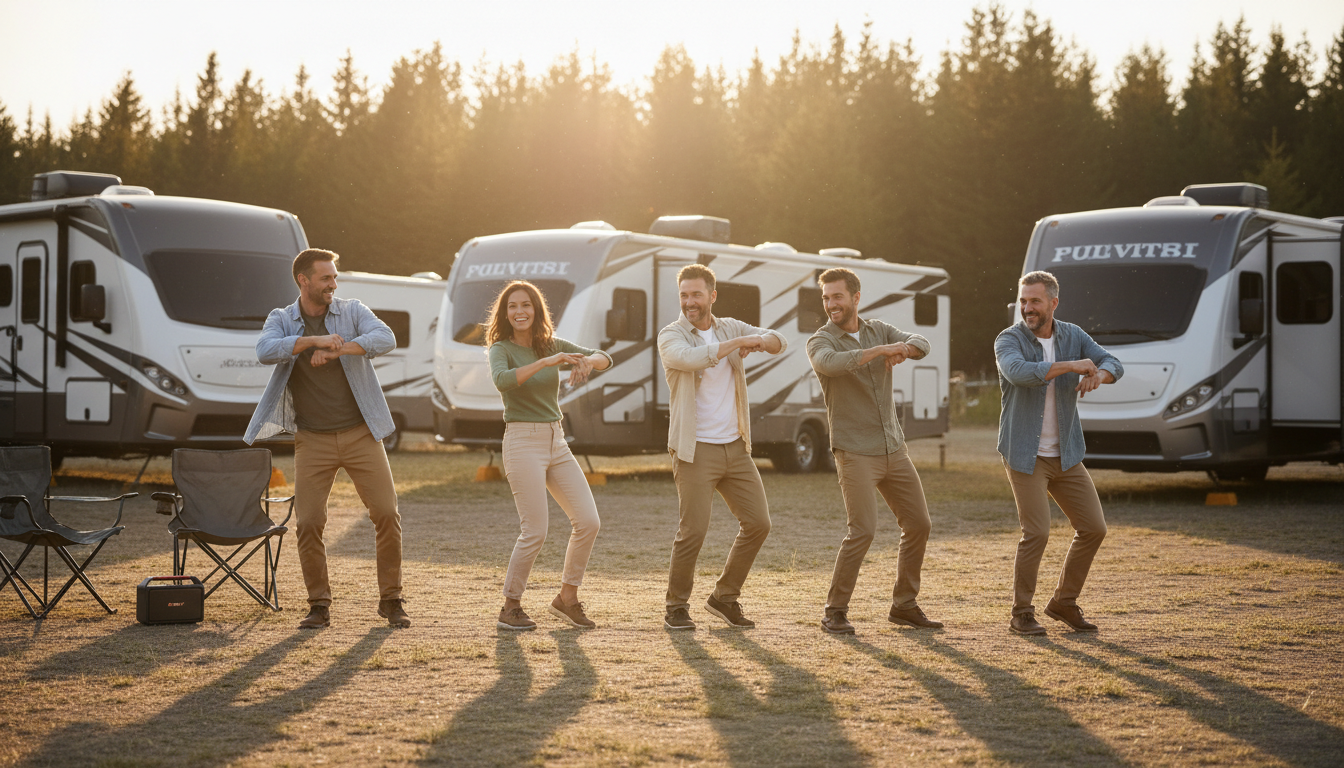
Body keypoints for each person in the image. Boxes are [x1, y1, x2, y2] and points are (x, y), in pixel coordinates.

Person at [245, 248, 408, 629]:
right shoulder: (282, 319)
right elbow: (265, 351)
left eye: (334, 278)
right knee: (309, 522)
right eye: (325, 279)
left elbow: (385, 338)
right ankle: (319, 604)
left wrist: (339, 348)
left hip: (361, 433)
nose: (333, 285)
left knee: (386, 513)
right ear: (303, 281)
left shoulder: (351, 311)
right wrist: (311, 343)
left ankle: (392, 599)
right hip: (312, 439)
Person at [806, 268, 942, 635]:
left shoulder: (878, 328)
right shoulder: (821, 340)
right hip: (854, 451)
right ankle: (834, 610)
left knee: (919, 525)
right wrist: (878, 351)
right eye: (826, 298)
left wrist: (905, 349)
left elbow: (922, 341)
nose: (831, 304)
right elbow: (828, 365)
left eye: (837, 296)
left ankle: (904, 605)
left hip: (893, 448)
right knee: (862, 530)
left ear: (855, 297)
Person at [657, 263, 786, 630]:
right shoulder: (672, 335)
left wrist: (759, 340)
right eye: (683, 295)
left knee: (759, 523)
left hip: (736, 447)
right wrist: (740, 343)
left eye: (696, 294)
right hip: (695, 450)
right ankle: (676, 606)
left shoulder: (730, 326)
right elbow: (690, 359)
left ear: (712, 296)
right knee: (693, 532)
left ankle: (724, 598)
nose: (689, 302)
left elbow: (779, 341)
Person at [995, 270, 1123, 635]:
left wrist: (1100, 375)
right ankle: (1021, 613)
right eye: (1023, 301)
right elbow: (1018, 372)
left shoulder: (1073, 334)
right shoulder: (1009, 339)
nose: (1027, 308)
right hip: (1024, 454)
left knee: (1094, 528)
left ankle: (1063, 602)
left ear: (1053, 302)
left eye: (1035, 301)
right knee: (1036, 532)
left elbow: (1112, 361)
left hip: (1065, 454)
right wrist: (1072, 365)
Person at [488, 280, 613, 631]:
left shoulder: (552, 344)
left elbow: (607, 358)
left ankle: (566, 599)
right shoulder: (501, 348)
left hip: (556, 441)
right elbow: (503, 380)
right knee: (535, 530)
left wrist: (587, 360)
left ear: (536, 309)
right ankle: (511, 606)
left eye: (526, 305)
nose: (519, 311)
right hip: (522, 440)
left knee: (588, 521)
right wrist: (548, 361)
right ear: (505, 313)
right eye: (512, 306)